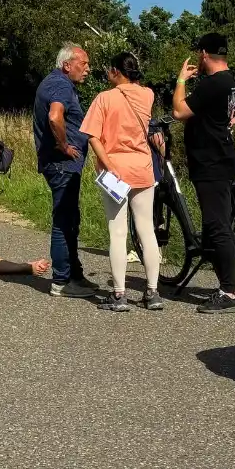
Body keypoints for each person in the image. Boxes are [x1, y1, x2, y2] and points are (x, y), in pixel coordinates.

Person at [79, 52, 164, 312]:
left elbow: (93, 137)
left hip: (114, 170)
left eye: (108, 69)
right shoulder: (147, 95)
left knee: (117, 232)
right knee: (146, 229)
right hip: (143, 168)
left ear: (116, 71)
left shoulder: (104, 98)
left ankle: (119, 294)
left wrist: (109, 164)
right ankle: (152, 292)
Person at [172, 32, 235, 314]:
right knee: (221, 222)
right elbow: (232, 118)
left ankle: (228, 293)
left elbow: (178, 112)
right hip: (224, 158)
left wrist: (180, 80)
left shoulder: (212, 84)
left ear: (203, 54)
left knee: (217, 226)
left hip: (210, 163)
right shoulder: (232, 83)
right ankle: (227, 283)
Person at [32, 42, 98, 298]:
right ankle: (61, 280)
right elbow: (54, 117)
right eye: (84, 64)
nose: (88, 69)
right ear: (67, 65)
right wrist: (64, 146)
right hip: (61, 165)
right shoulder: (59, 85)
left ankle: (74, 275)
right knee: (63, 221)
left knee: (71, 219)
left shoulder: (56, 82)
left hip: (63, 165)